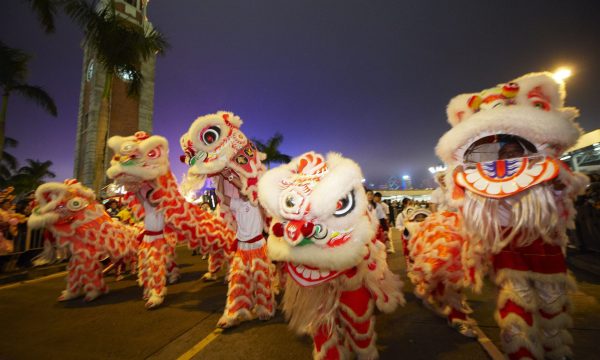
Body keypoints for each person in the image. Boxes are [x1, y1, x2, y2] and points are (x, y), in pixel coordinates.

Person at [216, 169, 275, 328]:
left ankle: (265, 308)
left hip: (258, 247)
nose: (241, 189)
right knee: (237, 279)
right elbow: (221, 197)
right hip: (241, 249)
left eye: (244, 185)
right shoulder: (237, 204)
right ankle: (233, 313)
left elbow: (246, 189)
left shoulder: (256, 201)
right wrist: (219, 177)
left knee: (262, 280)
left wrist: (227, 173)